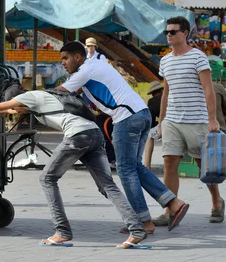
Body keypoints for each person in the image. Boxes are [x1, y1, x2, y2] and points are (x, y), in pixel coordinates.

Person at [0, 85, 149, 249]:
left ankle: (62, 231)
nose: (14, 110)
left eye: (14, 105)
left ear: (18, 98)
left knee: (47, 178)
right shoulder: (43, 96)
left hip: (78, 136)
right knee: (107, 186)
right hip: (94, 134)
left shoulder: (28, 98)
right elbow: (6, 111)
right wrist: (8, 110)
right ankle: (136, 228)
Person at [56, 41, 189, 234]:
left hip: (126, 119)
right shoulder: (96, 65)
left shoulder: (85, 71)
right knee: (134, 166)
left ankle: (143, 222)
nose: (63, 63)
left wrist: (25, 99)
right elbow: (77, 92)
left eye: (65, 58)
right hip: (141, 114)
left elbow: (59, 92)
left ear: (77, 57)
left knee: (126, 170)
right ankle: (173, 203)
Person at [157, 16, 224, 224]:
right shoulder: (165, 60)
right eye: (167, 32)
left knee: (202, 165)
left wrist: (212, 119)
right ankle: (170, 209)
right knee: (169, 162)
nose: (169, 35)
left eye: (173, 31)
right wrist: (161, 121)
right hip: (172, 121)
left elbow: (208, 89)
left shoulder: (198, 57)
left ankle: (217, 201)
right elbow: (165, 94)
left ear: (184, 33)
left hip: (197, 119)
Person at [143, 81, 164, 168]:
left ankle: (147, 165)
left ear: (152, 93)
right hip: (174, 123)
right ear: (161, 90)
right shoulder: (168, 97)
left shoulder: (151, 101)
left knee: (149, 135)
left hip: (163, 125)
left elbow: (150, 120)